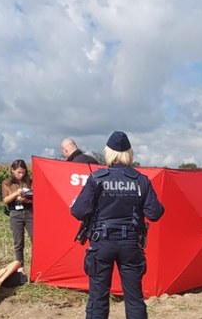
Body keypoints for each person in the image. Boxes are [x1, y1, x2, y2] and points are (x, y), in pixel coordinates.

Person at [71, 131, 165, 319]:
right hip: (131, 244)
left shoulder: (97, 178)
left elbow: (78, 211)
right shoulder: (141, 180)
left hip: (101, 243)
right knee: (134, 299)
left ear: (108, 153)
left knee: (98, 299)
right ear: (129, 153)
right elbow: (155, 213)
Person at [2, 159, 33, 271]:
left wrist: (27, 200)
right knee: (18, 242)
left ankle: (37, 265)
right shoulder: (7, 183)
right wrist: (16, 193)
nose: (21, 175)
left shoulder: (30, 182)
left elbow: (36, 198)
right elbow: (5, 200)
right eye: (18, 172)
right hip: (15, 213)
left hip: (29, 212)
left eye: (23, 172)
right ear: (12, 170)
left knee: (35, 239)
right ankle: (20, 268)